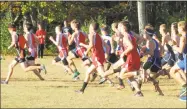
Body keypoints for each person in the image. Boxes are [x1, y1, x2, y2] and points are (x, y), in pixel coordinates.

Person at [75, 22, 106, 94]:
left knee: (103, 74)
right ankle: (82, 90)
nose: (89, 28)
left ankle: (117, 73)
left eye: (89, 27)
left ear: (92, 27)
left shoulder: (91, 35)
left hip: (97, 56)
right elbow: (102, 45)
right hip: (98, 55)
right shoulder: (99, 35)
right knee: (88, 72)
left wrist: (86, 52)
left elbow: (91, 45)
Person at [141, 28, 164, 96]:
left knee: (143, 70)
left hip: (153, 60)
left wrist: (142, 53)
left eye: (144, 33)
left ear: (148, 34)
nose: (143, 35)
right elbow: (160, 47)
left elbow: (151, 53)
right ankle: (160, 92)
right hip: (155, 60)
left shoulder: (150, 42)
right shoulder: (153, 40)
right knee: (150, 77)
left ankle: (138, 90)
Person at [169, 21, 186, 98]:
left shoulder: (183, 37)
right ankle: (184, 85)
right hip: (183, 59)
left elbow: (180, 50)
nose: (177, 29)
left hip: (185, 59)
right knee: (173, 70)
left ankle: (184, 86)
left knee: (172, 71)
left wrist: (172, 45)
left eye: (178, 28)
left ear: (182, 28)